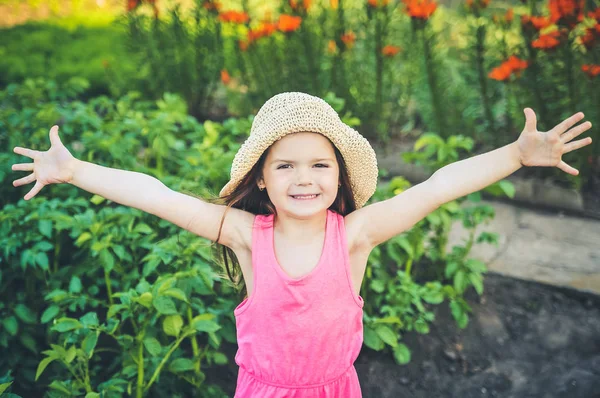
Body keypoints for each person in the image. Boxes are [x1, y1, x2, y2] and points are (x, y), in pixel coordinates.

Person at [11, 92, 593, 397]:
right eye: (284, 166)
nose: (304, 178)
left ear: (339, 176)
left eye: (319, 164)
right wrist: (76, 170)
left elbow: (437, 187)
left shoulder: (356, 236)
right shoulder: (243, 234)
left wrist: (516, 155)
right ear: (261, 180)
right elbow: (157, 194)